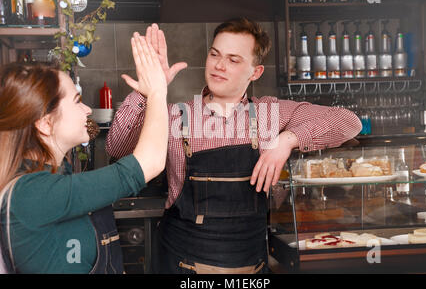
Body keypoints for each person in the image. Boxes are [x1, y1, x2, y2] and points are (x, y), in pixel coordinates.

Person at [106, 18, 362, 274]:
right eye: (215, 54)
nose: (219, 66)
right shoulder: (174, 115)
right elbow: (117, 148)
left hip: (251, 268)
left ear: (255, 72)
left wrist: (288, 140)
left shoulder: (269, 113)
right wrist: (150, 91)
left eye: (233, 60)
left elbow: (349, 121)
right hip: (182, 266)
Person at [0, 33, 168, 273]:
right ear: (46, 124)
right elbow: (148, 164)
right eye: (77, 100)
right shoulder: (31, 193)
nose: (88, 109)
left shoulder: (56, 173)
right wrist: (157, 92)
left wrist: (149, 93)